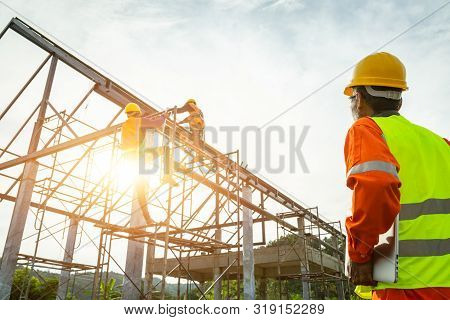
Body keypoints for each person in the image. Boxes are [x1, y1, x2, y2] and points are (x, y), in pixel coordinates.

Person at [343, 52, 450, 300]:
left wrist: (360, 254)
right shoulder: (442, 145)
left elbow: (376, 186)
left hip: (406, 286)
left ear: (358, 99)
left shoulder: (367, 129)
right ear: (399, 102)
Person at [121, 102, 166, 225]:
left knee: (140, 192)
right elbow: (157, 124)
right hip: (137, 158)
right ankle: (148, 219)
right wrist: (164, 116)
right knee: (164, 150)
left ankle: (148, 219)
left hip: (129, 160)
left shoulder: (125, 125)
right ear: (138, 113)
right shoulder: (137, 121)